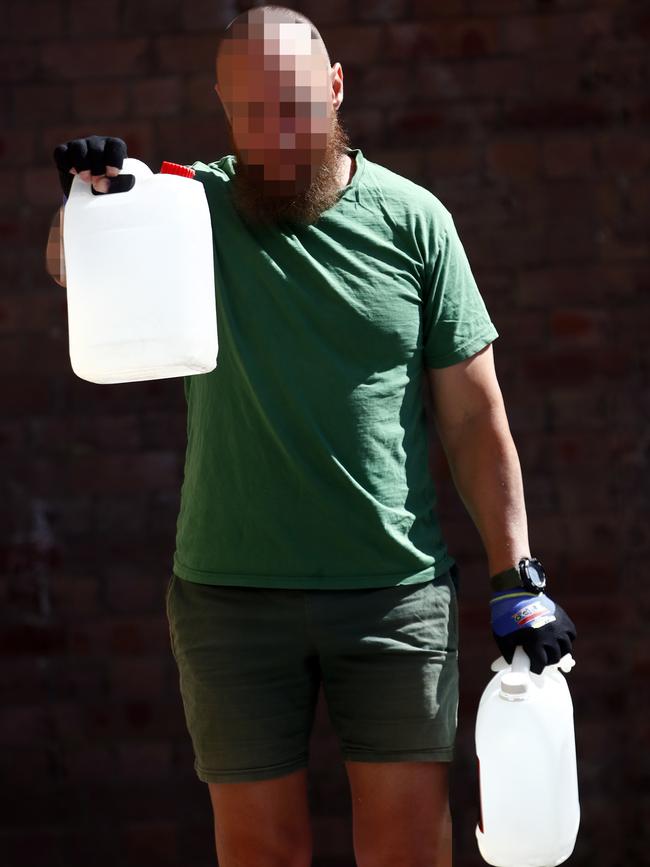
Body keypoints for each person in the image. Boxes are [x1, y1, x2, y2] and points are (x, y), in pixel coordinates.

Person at [49, 6, 577, 866]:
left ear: (334, 89)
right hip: (229, 597)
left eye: (292, 104)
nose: (275, 131)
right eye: (250, 111)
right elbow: (75, 265)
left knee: (409, 847)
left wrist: (517, 577)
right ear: (225, 110)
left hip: (395, 593)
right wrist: (88, 202)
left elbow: (476, 418)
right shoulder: (190, 208)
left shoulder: (415, 222)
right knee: (260, 851)